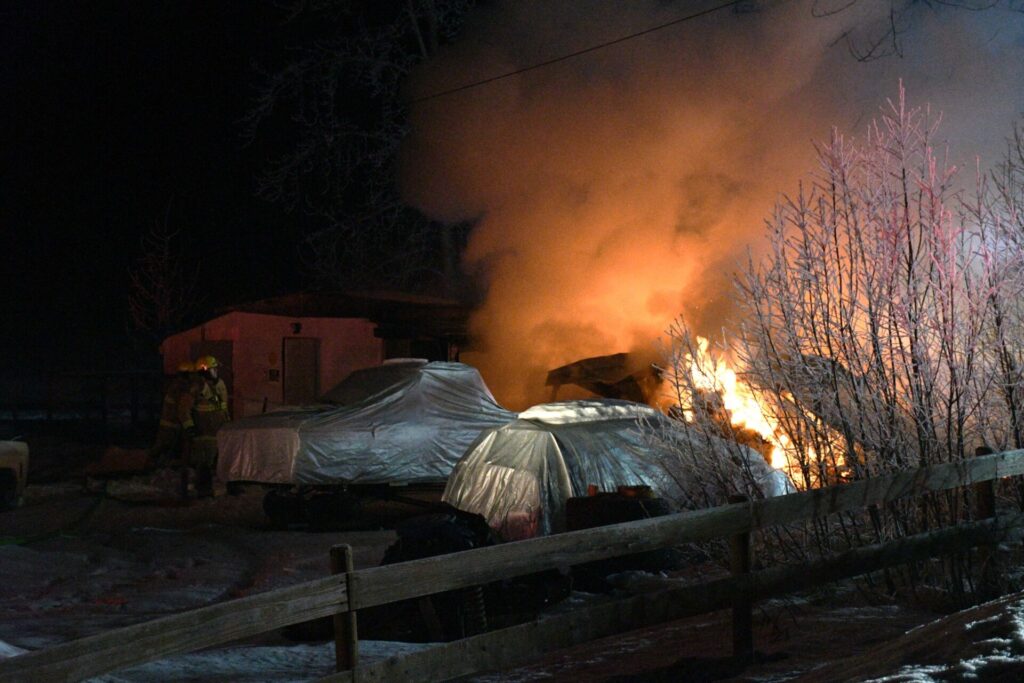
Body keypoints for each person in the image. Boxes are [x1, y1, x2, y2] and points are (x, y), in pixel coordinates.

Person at [190, 355, 230, 498]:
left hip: (218, 430)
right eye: (213, 369)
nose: (215, 372)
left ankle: (218, 488)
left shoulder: (219, 384)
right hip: (204, 433)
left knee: (217, 462)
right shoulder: (197, 388)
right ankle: (203, 490)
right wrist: (190, 427)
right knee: (204, 463)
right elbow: (185, 409)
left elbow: (222, 406)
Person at [148, 360, 197, 467]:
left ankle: (152, 464)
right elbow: (183, 410)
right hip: (172, 426)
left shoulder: (175, 385)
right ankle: (149, 465)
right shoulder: (182, 388)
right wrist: (189, 427)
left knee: (162, 448)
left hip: (168, 424)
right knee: (162, 448)